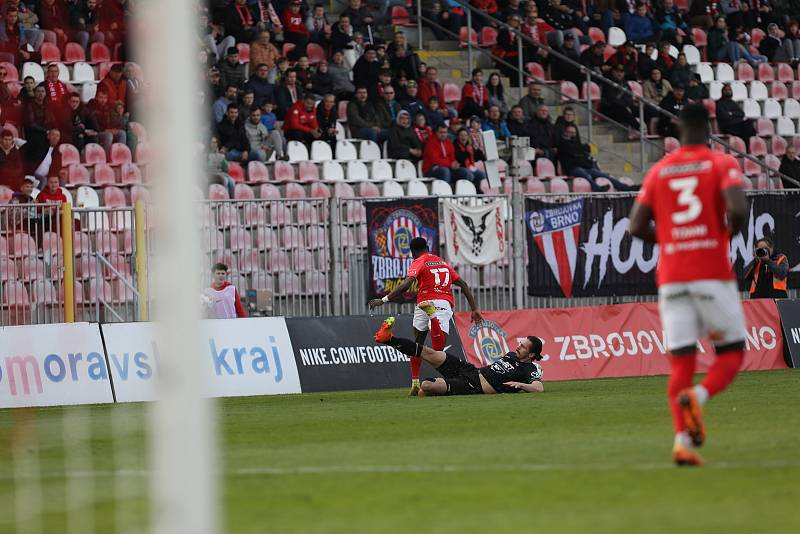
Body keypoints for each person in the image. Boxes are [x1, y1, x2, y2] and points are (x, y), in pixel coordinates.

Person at [628, 103, 750, 467]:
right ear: (709, 127)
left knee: (681, 362)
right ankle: (699, 396)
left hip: (671, 277)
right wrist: (721, 236)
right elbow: (739, 210)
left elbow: (635, 226)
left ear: (677, 129)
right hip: (710, 271)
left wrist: (669, 239)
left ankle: (682, 442)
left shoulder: (660, 171)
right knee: (731, 353)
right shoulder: (721, 163)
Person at [368, 237, 483, 395]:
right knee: (438, 350)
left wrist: (383, 300)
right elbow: (463, 284)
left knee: (418, 344)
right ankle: (433, 317)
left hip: (424, 301)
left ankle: (415, 380)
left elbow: (406, 284)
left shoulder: (419, 261)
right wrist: (474, 309)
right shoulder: (443, 263)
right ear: (427, 247)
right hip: (442, 303)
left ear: (413, 252)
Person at [374, 314, 542, 396]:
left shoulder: (530, 368)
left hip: (475, 387)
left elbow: (538, 388)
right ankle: (388, 339)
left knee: (427, 386)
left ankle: (425, 395)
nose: (518, 346)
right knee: (431, 353)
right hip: (471, 370)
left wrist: (520, 385)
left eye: (524, 347)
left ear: (532, 354)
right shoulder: (512, 355)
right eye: (520, 343)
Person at [558, 124, 636, 192]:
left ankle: (625, 188)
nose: (573, 135)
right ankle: (597, 188)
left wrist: (580, 150)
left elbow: (586, 149)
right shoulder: (562, 143)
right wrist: (581, 149)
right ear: (565, 132)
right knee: (586, 175)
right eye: (570, 132)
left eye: (574, 133)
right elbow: (574, 150)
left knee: (605, 175)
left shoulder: (576, 143)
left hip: (584, 166)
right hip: (572, 169)